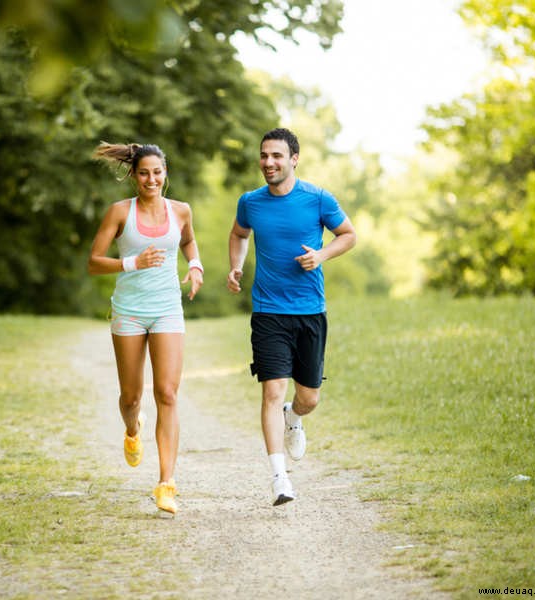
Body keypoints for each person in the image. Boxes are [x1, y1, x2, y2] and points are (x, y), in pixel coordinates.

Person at [226, 128, 356, 506]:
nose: (269, 163)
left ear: (294, 159)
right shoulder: (250, 202)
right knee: (271, 390)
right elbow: (238, 234)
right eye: (264, 156)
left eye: (277, 156)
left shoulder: (317, 199)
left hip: (309, 311)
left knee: (309, 398)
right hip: (268, 312)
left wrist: (321, 256)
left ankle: (294, 418)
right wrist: (236, 265)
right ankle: (279, 478)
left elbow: (348, 235)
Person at [88, 141, 203, 516]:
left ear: (165, 173)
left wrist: (196, 264)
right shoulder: (120, 212)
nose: (151, 179)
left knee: (167, 393)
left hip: (168, 308)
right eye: (143, 173)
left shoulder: (181, 211)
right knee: (131, 398)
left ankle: (166, 484)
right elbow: (94, 262)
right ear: (134, 175)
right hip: (130, 311)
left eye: (157, 172)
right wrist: (132, 262)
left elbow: (187, 241)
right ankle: (132, 429)